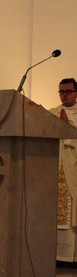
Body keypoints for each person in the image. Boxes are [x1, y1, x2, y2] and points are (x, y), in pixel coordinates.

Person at [50, 78, 77, 263]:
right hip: (52, 169)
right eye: (61, 91)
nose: (64, 95)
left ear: (76, 93)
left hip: (72, 170)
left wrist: (66, 128)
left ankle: (71, 256)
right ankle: (54, 255)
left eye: (67, 91)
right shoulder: (51, 113)